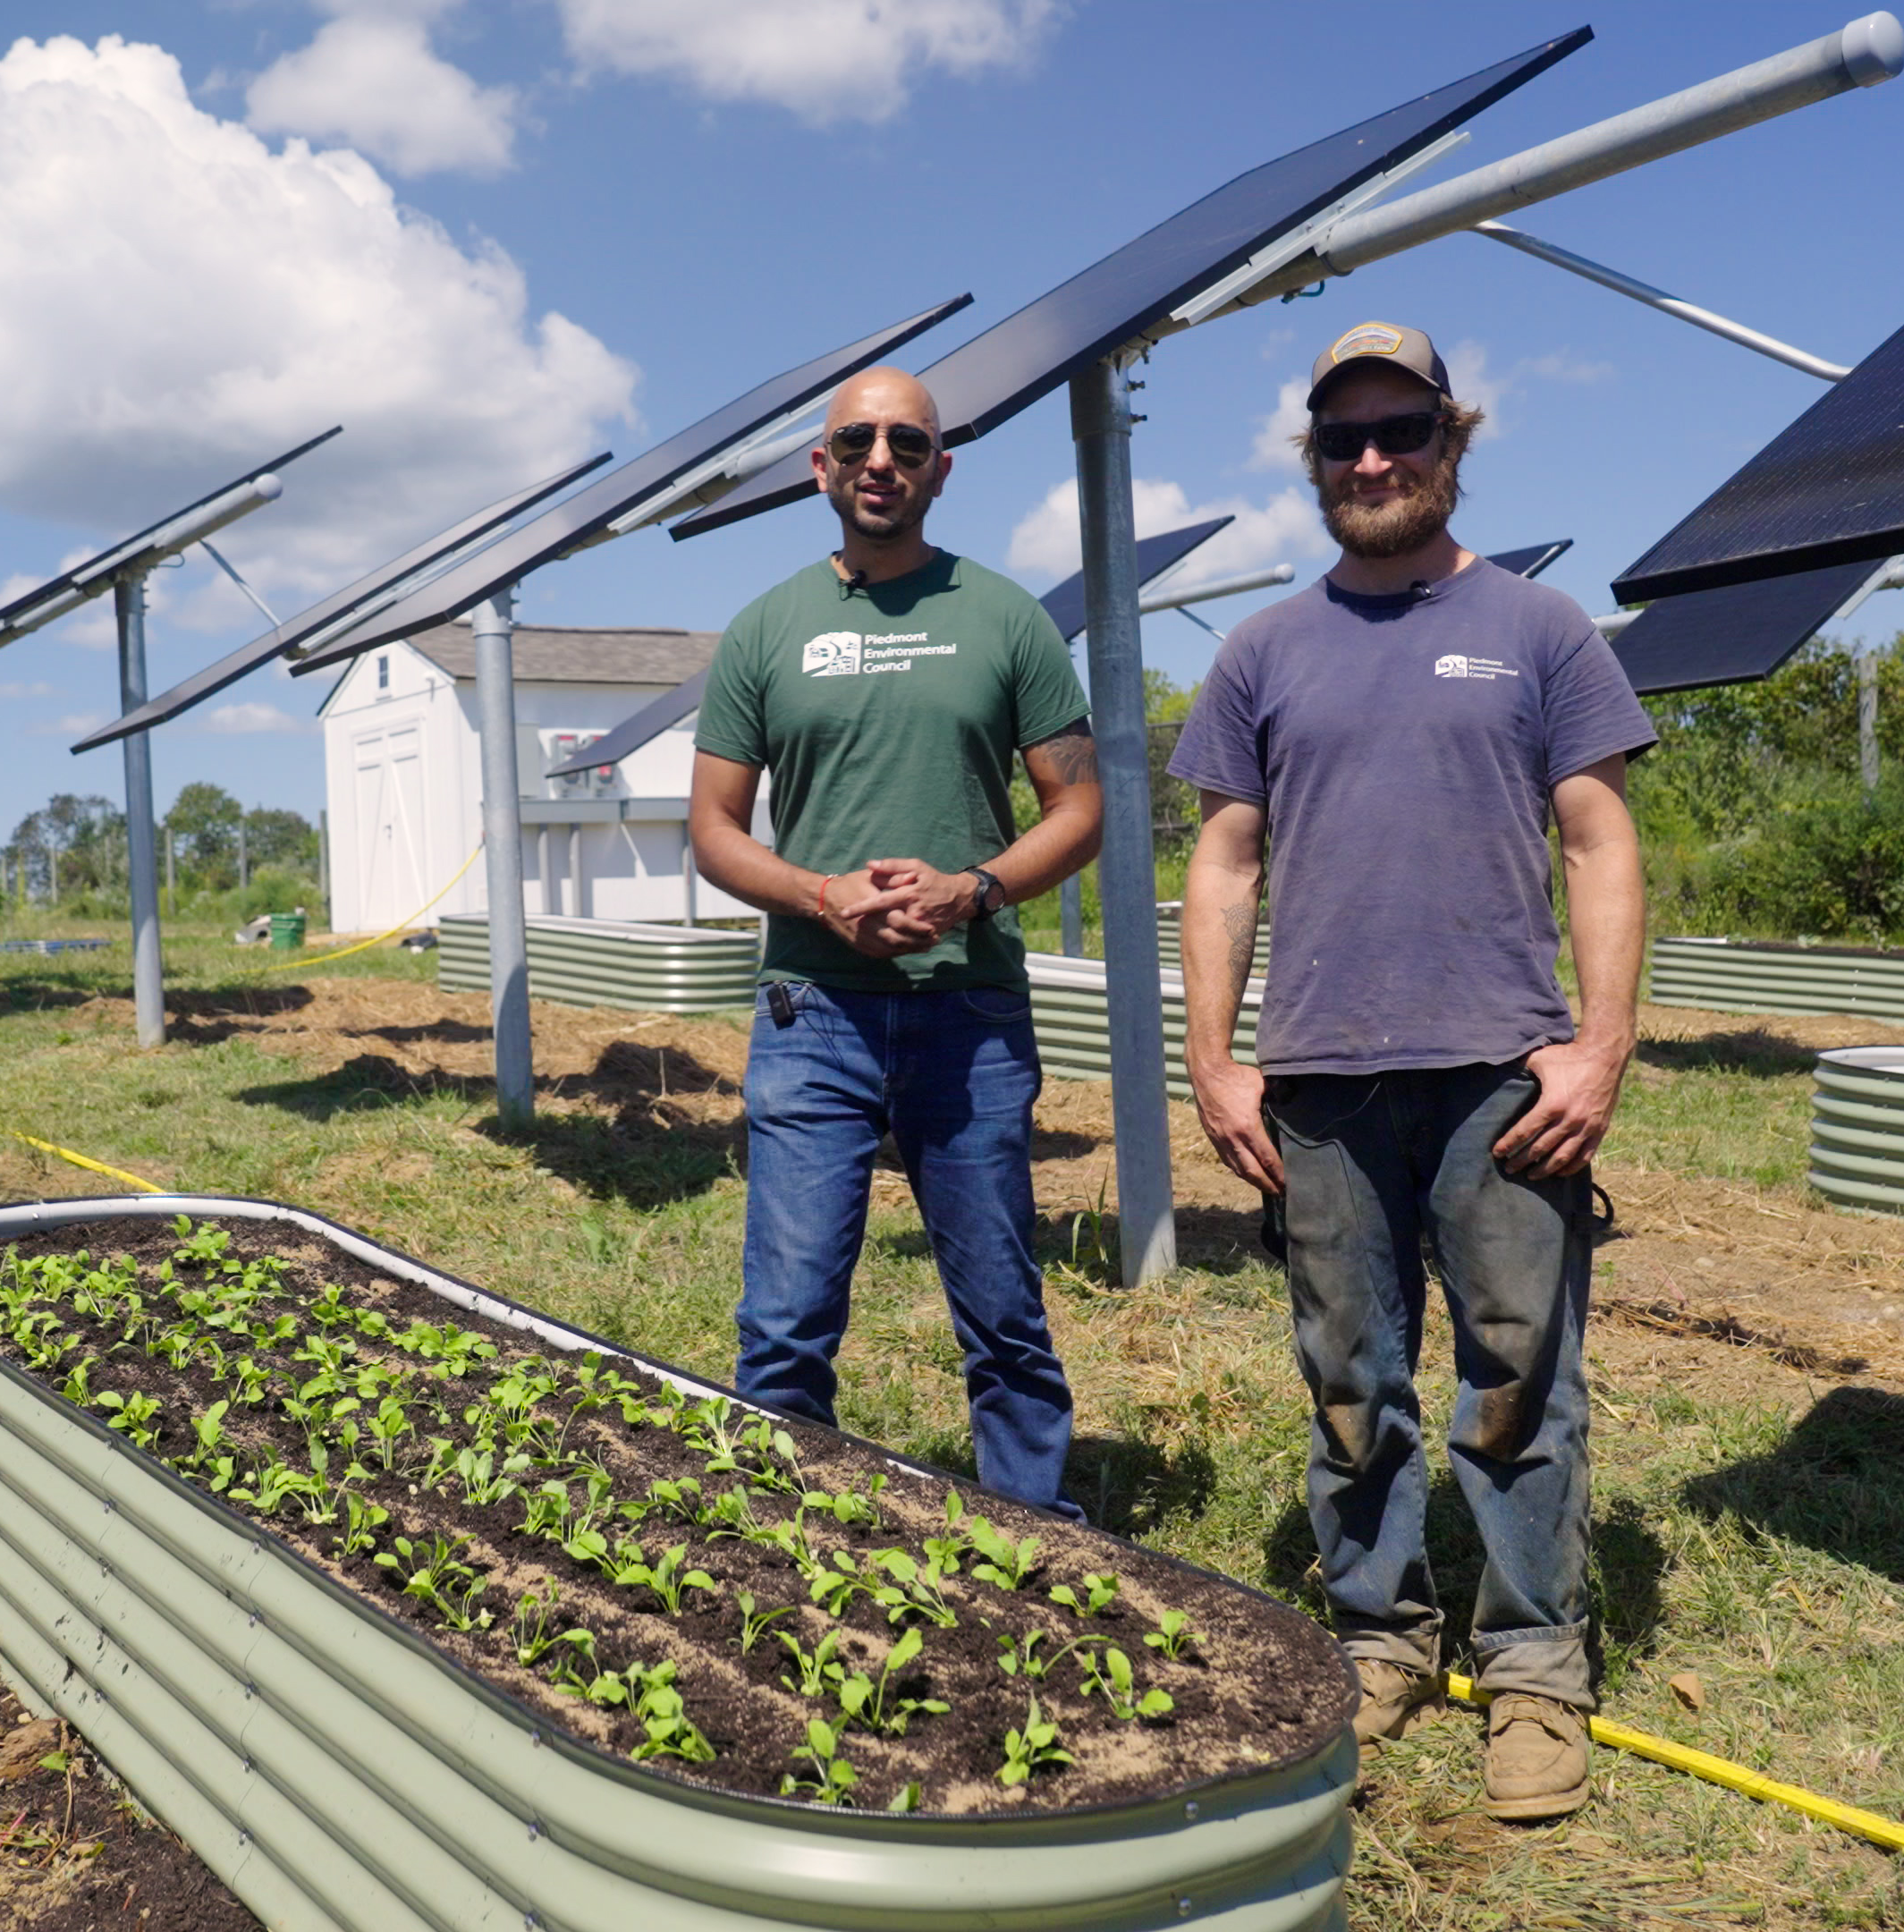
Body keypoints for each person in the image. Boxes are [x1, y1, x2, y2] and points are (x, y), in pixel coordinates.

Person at [1168, 321, 1654, 1820]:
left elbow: (1601, 839)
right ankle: (1376, 1634)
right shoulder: (1263, 648)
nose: (1371, 460)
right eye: (1342, 439)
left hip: (1502, 1084)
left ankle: (1533, 1676)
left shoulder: (1541, 628)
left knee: (1519, 1383)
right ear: (1315, 461)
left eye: (1401, 432)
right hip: (1317, 1081)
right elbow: (1225, 862)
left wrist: (1603, 1045)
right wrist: (1213, 1062)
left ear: (1455, 440)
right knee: (1347, 1380)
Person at [686, 366, 1106, 1516]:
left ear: (940, 469)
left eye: (908, 444)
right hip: (810, 1013)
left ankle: (1035, 1542)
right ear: (821, 467)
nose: (883, 460)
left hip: (968, 1010)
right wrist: (824, 899)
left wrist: (973, 889)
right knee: (784, 1323)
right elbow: (713, 833)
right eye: (858, 441)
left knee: (1005, 1315)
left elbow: (1081, 810)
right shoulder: (766, 629)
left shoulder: (1006, 618)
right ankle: (780, 1544)